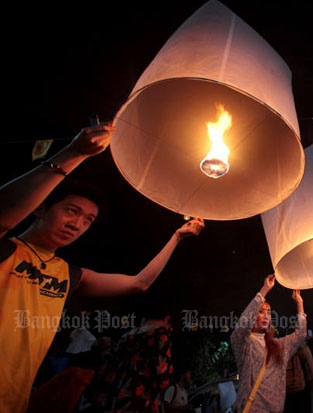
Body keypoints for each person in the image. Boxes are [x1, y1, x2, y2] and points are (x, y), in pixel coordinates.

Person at [0, 124, 205, 412]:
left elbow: (139, 283)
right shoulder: (6, 248)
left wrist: (177, 237)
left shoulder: (70, 274)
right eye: (71, 211)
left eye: (88, 220)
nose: (77, 225)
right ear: (40, 208)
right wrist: (75, 153)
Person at [230, 274, 307, 413]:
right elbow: (242, 326)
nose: (265, 315)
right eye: (260, 312)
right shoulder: (245, 343)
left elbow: (300, 335)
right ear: (253, 316)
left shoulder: (279, 346)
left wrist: (299, 303)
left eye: (269, 312)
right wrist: (264, 290)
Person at [83, 312, 177, 412]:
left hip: (110, 393)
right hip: (131, 398)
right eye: (171, 328)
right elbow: (163, 375)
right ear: (167, 319)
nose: (169, 331)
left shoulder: (133, 330)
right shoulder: (160, 335)